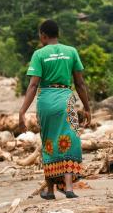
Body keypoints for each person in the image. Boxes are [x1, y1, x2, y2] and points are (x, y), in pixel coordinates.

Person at [19, 19, 91, 200]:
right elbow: (80, 83)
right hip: (65, 99)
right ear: (57, 34)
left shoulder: (39, 54)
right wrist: (88, 108)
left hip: (46, 101)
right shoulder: (71, 51)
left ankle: (50, 191)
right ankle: (68, 187)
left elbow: (33, 85)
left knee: (48, 142)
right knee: (69, 140)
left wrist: (22, 111)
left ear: (43, 35)